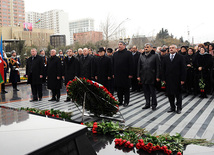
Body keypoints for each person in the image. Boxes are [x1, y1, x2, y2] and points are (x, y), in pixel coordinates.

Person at [162, 44, 186, 114]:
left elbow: (183, 69)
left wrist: (183, 79)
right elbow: (163, 69)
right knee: (170, 94)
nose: (171, 49)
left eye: (173, 48)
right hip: (168, 79)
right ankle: (172, 107)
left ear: (176, 49)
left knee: (178, 94)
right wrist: (163, 78)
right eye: (170, 48)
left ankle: (179, 108)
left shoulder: (180, 57)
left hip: (177, 79)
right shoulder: (165, 57)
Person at [137, 43, 160, 111]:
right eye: (145, 47)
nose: (146, 48)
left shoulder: (155, 55)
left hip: (152, 76)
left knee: (152, 91)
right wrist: (138, 75)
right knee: (146, 91)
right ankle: (147, 103)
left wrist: (158, 76)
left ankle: (154, 104)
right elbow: (139, 66)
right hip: (144, 76)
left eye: (147, 47)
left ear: (151, 48)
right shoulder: (141, 55)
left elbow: (158, 67)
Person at [113, 41, 134, 107]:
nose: (119, 46)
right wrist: (113, 73)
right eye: (118, 44)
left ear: (124, 46)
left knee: (126, 89)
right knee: (119, 89)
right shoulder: (115, 54)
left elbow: (131, 64)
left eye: (121, 44)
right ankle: (120, 101)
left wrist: (131, 73)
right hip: (117, 74)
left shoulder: (128, 53)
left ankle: (126, 101)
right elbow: (113, 64)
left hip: (126, 75)